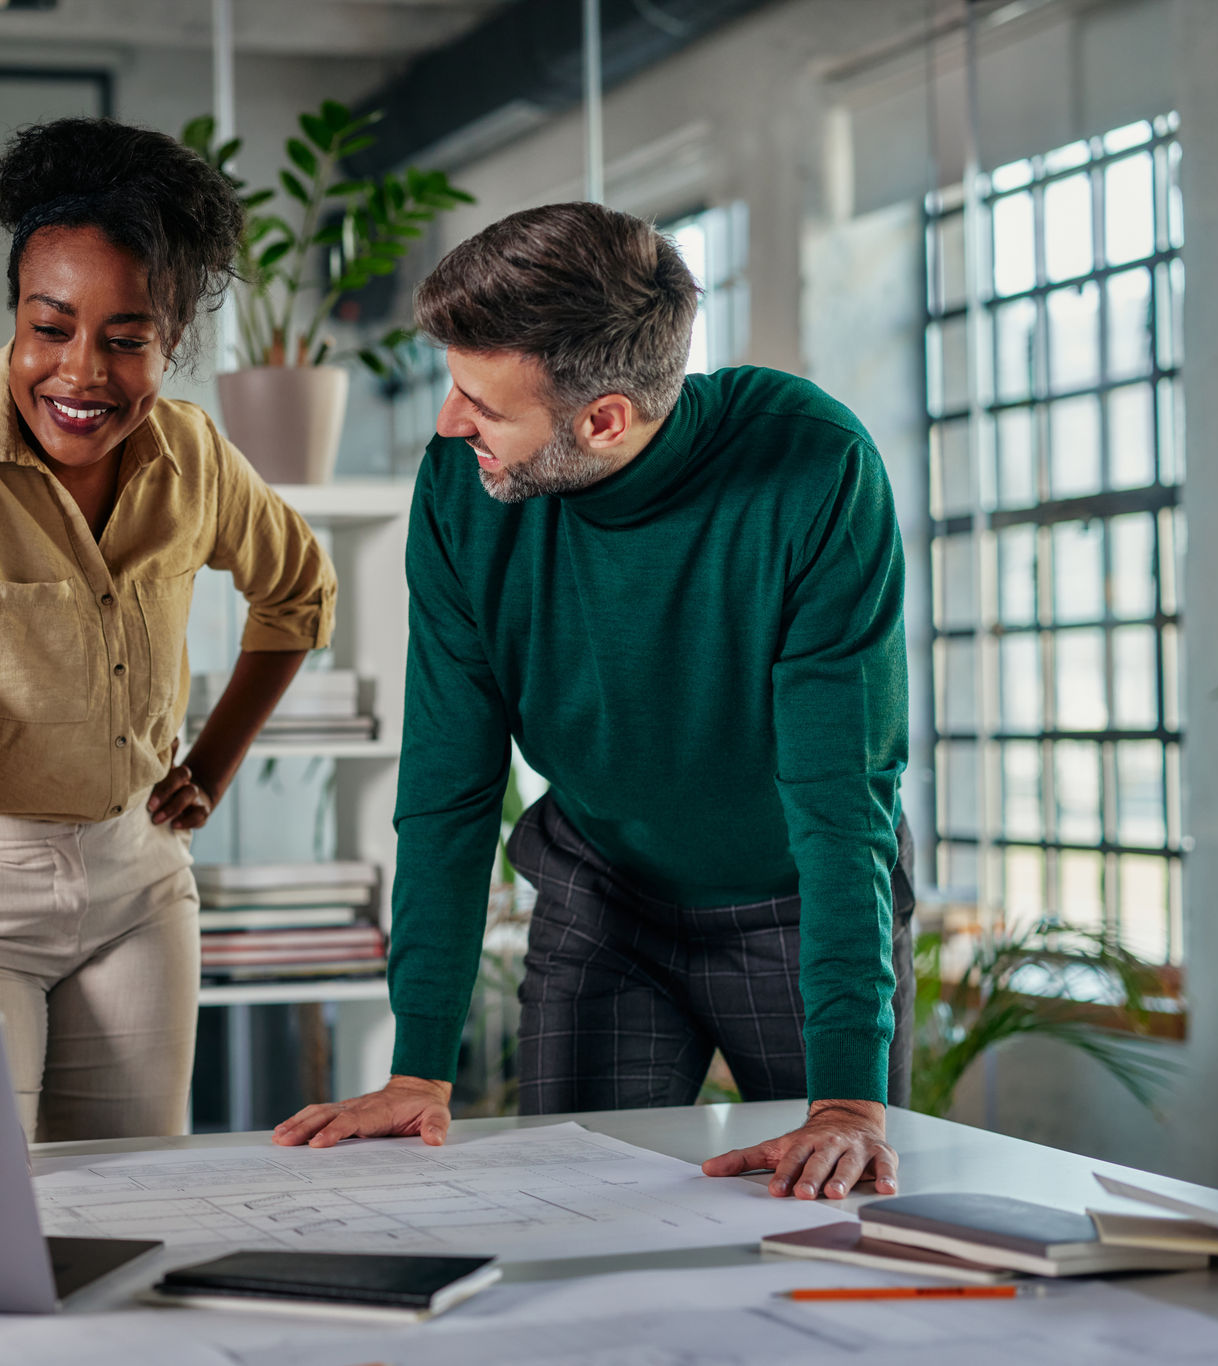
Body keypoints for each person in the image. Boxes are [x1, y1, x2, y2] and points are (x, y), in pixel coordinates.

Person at [274, 203, 914, 1204]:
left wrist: (845, 1103)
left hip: (793, 896)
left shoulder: (810, 468)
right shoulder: (461, 489)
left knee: (829, 1210)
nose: (448, 425)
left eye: (480, 404)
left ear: (604, 418)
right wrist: (417, 1067)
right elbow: (447, 784)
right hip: (603, 893)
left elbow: (842, 798)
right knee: (563, 1208)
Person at [0, 117, 335, 1143]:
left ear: (171, 343)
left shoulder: (191, 452)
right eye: (49, 326)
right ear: (14, 315)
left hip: (135, 880)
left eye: (126, 339)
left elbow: (298, 590)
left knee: (131, 1200)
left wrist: (212, 761)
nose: (79, 373)